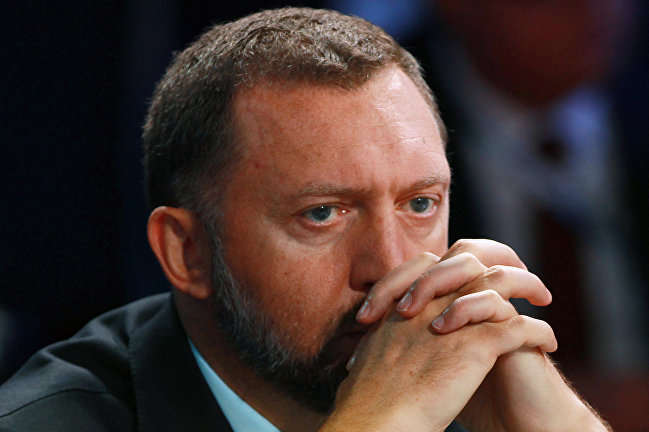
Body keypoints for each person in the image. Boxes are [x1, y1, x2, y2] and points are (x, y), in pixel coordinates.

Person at [0, 8, 610, 431]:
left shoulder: (468, 387)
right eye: (322, 214)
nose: (393, 266)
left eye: (420, 204)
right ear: (187, 251)